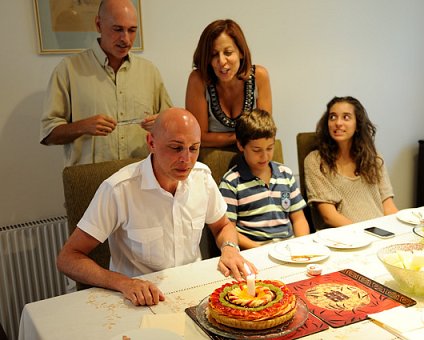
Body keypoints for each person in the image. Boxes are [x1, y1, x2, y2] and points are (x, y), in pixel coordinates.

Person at [57, 108, 256, 306]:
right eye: (176, 148)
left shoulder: (201, 177)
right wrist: (123, 283)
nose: (186, 160)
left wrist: (230, 248)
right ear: (151, 142)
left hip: (195, 291)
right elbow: (68, 258)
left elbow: (223, 225)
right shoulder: (119, 189)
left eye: (193, 148)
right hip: (141, 300)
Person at [40, 0, 172, 166]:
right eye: (117, 29)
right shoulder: (69, 70)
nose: (125, 39)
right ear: (98, 24)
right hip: (90, 181)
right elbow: (48, 134)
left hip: (141, 176)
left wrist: (160, 123)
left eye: (132, 30)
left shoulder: (149, 71)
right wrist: (82, 126)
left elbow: (171, 125)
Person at [219, 109, 310, 249]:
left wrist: (301, 244)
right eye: (257, 150)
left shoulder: (285, 174)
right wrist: (260, 249)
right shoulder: (232, 182)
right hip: (254, 250)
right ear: (241, 146)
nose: (265, 156)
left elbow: (298, 219)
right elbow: (228, 229)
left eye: (269, 148)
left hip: (289, 248)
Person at [304, 96, 398, 229]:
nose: (338, 123)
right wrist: (367, 232)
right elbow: (329, 216)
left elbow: (388, 205)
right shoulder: (314, 161)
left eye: (346, 117)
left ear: (357, 125)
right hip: (344, 238)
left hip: (380, 231)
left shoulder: (373, 156)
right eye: (333, 117)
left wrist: (399, 229)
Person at [185, 19, 272, 148]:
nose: (221, 61)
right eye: (214, 54)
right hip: (212, 159)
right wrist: (242, 137)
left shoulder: (259, 76)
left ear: (241, 52)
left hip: (251, 159)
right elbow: (198, 137)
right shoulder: (198, 79)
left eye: (228, 52)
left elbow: (265, 133)